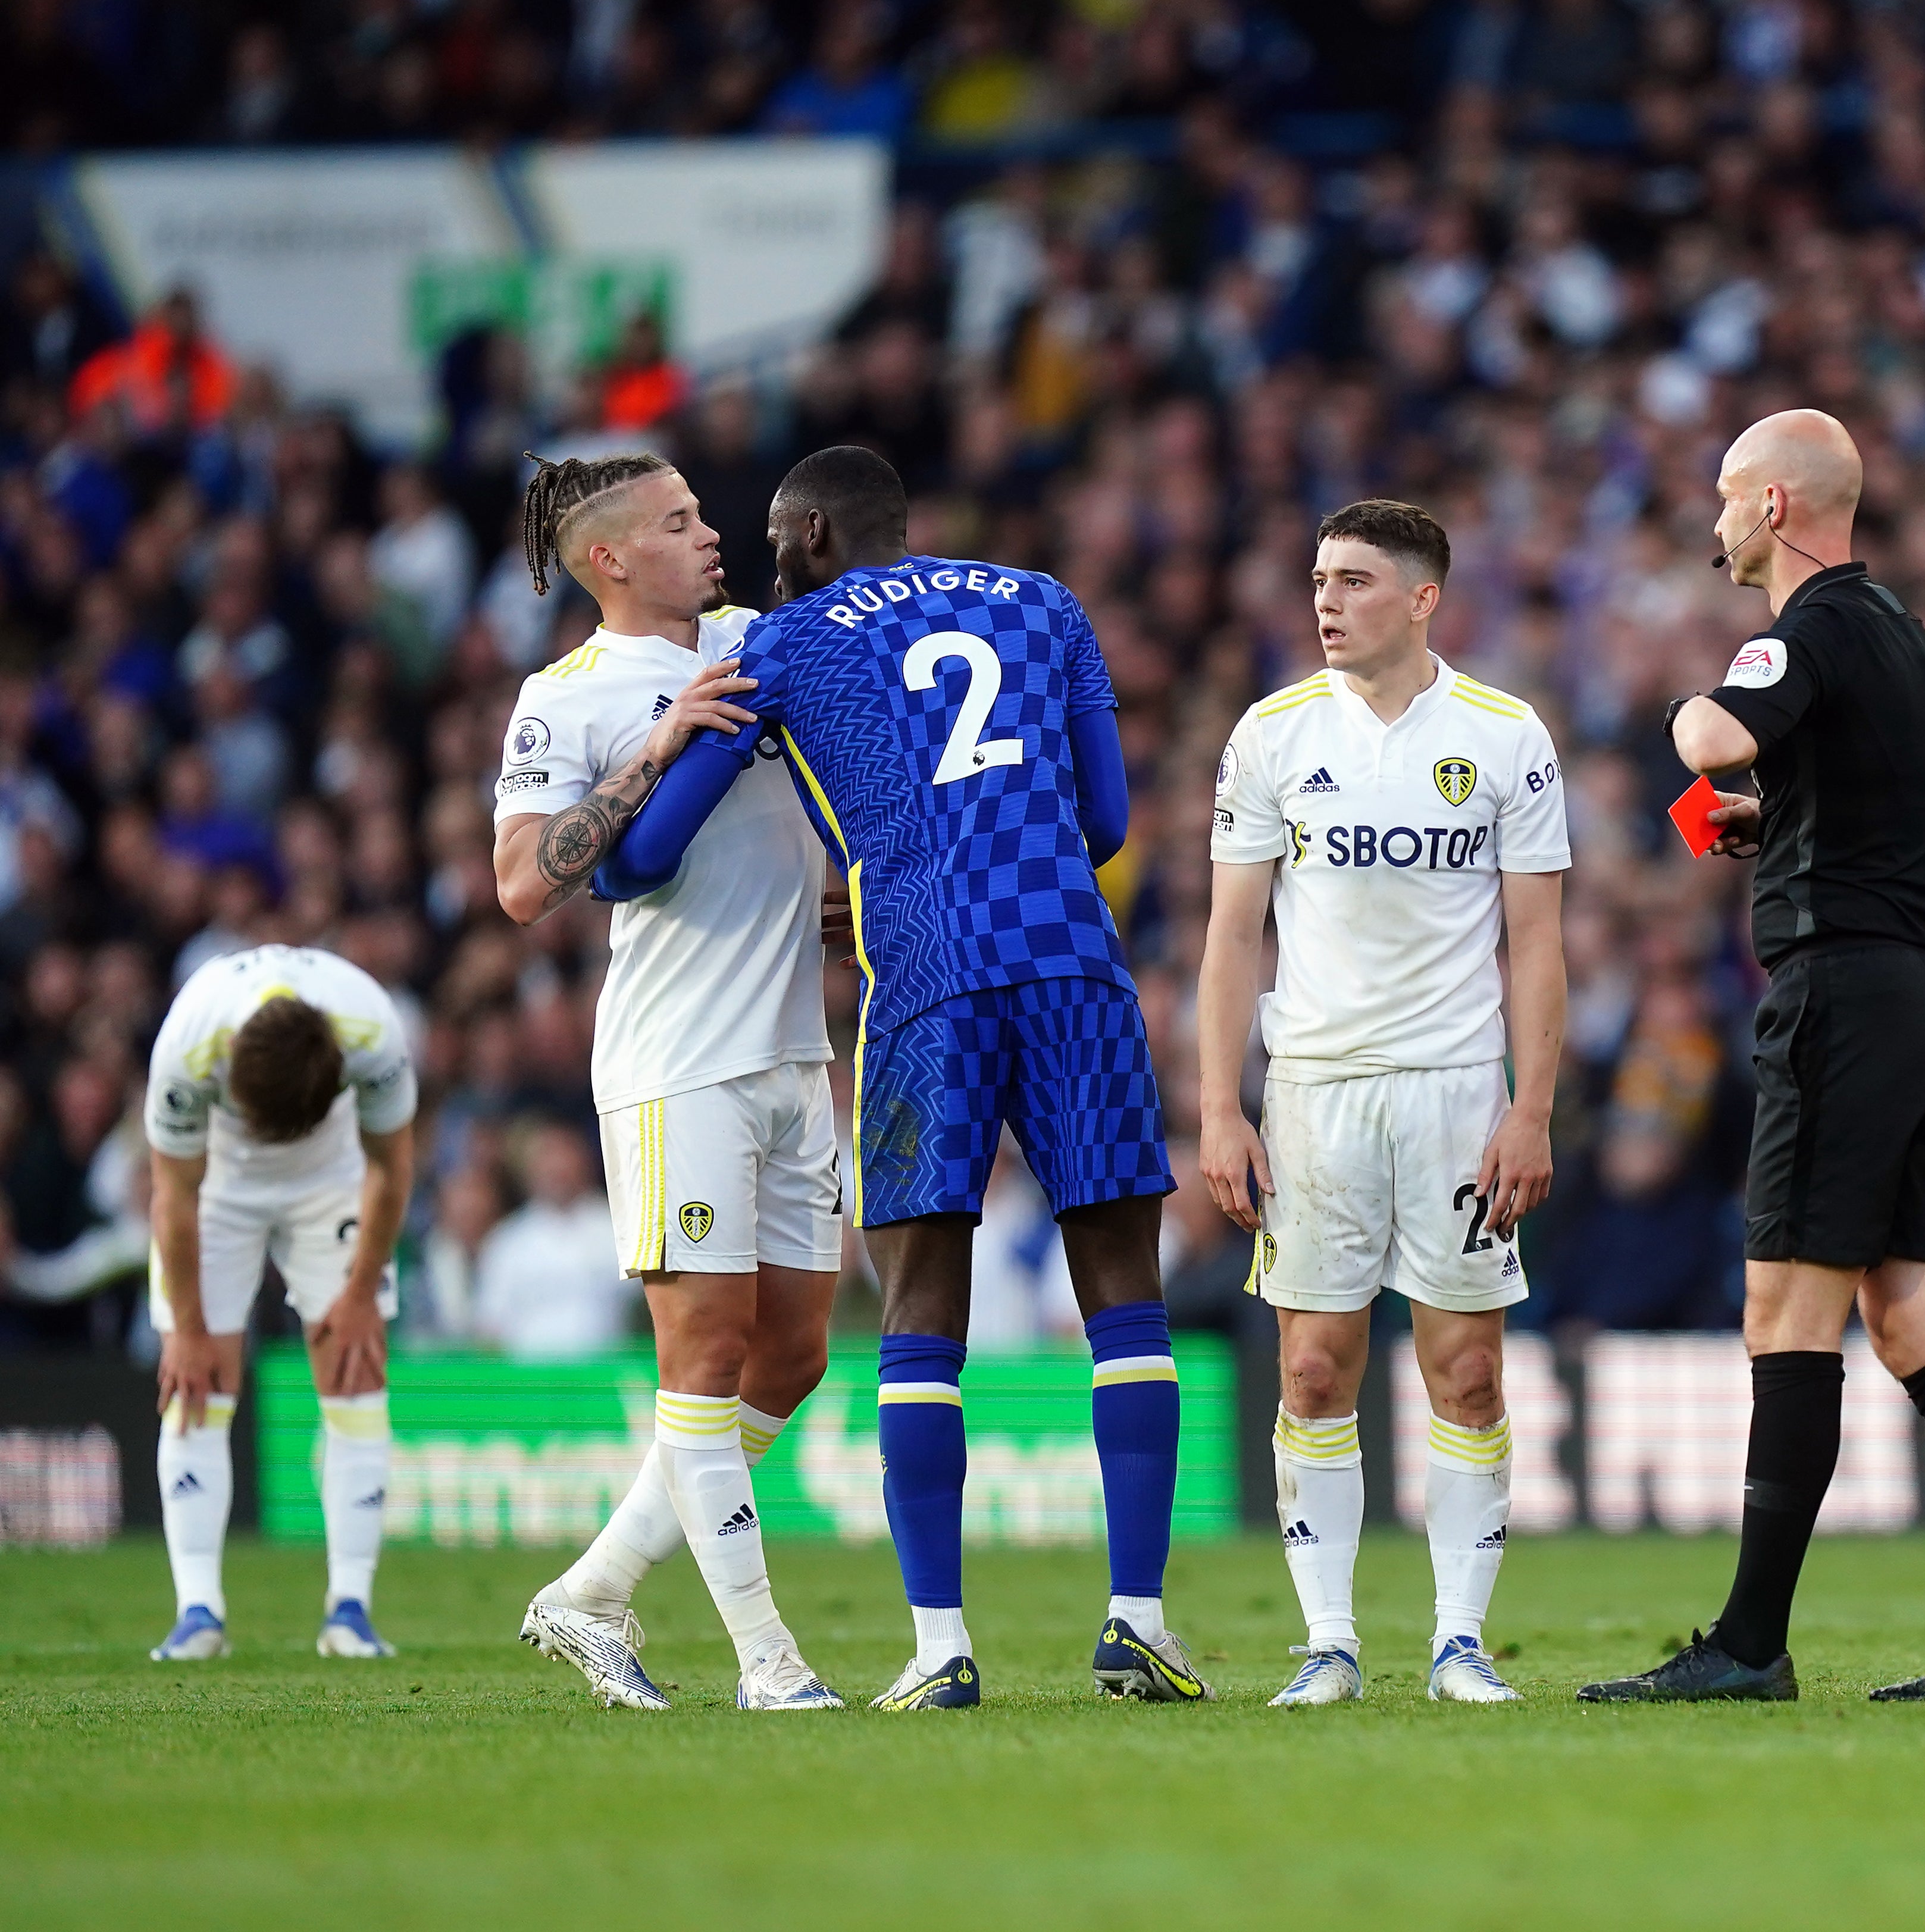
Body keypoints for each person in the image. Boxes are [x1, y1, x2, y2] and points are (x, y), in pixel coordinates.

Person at [596, 445, 1203, 1713]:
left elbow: (645, 857)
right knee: (1127, 1307)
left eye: (773, 532)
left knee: (921, 1314)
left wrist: (629, 841)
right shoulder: (1046, 602)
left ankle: (939, 1645)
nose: (764, 557)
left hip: (927, 974)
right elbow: (1105, 821)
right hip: (1073, 961)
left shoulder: (786, 642)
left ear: (813, 528)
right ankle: (1138, 1620)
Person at [1579, 409, 1925, 1704]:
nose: (1717, 520)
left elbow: (1710, 739)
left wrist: (1692, 711)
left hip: (1844, 998)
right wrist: (1781, 815)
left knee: (1784, 1316)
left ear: (1780, 508)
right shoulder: (1905, 635)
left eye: (1730, 496)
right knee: (1916, 1318)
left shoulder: (1802, 630)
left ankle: (1747, 1647)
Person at [1195, 499, 1569, 1707]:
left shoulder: (1506, 736)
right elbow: (1230, 935)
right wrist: (1218, 1105)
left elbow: (1537, 942)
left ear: (1421, 599)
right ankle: (1330, 1641)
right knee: (1311, 1365)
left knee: (1465, 1370)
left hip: (1461, 1093)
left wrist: (1531, 1107)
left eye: (1354, 579)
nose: (1326, 599)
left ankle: (1460, 1639)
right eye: (1319, 577)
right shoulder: (1269, 733)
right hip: (1313, 1090)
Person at [489, 449, 846, 1713]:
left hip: (794, 1044)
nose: (711, 535)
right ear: (610, 557)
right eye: (681, 520)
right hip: (674, 1057)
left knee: (794, 1349)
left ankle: (589, 1591)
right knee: (701, 1355)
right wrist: (655, 745)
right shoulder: (567, 695)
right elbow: (525, 885)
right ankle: (769, 1661)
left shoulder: (760, 635)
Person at [142, 944, 417, 1663]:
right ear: (229, 1063)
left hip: (331, 1173)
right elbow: (171, 1194)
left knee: (357, 1372)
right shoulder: (188, 1041)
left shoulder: (372, 1030)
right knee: (197, 1383)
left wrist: (361, 1291)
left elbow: (392, 1165)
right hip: (217, 1185)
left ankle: (349, 1608)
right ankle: (197, 1609)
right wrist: (189, 1328)